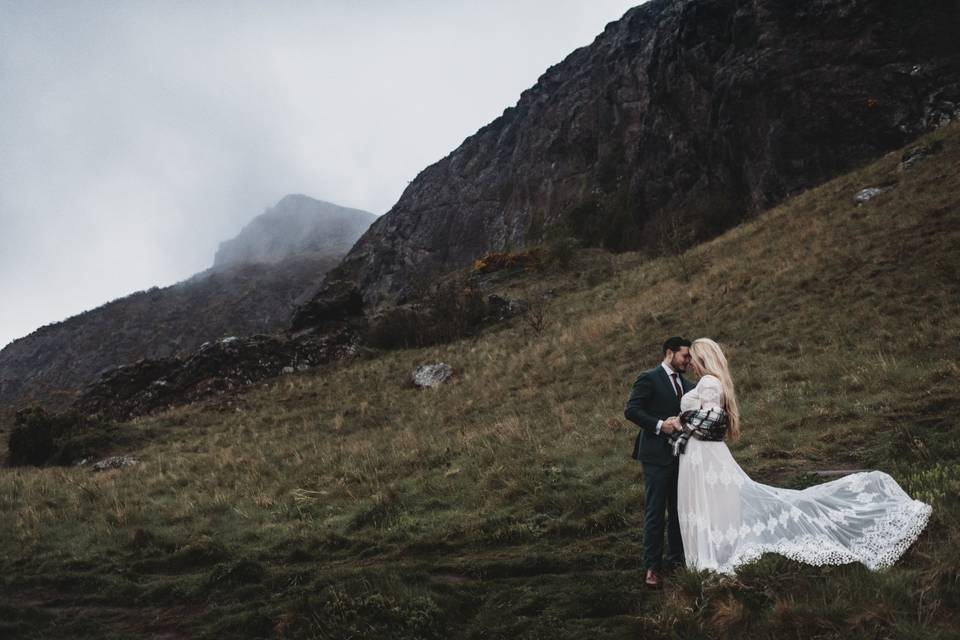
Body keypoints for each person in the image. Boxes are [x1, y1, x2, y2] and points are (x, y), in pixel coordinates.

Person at [673, 338, 932, 574]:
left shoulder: (708, 382)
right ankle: (711, 558)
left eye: (693, 358)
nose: (690, 364)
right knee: (711, 507)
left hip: (704, 457)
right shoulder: (711, 382)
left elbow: (713, 420)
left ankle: (710, 560)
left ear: (703, 358)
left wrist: (681, 421)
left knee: (707, 507)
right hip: (701, 455)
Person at [624, 336, 695, 588]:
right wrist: (659, 425)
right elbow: (631, 410)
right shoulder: (649, 377)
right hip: (655, 455)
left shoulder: (688, 385)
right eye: (685, 355)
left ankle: (677, 562)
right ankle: (652, 568)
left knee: (679, 511)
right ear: (669, 353)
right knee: (655, 512)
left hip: (682, 456)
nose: (688, 360)